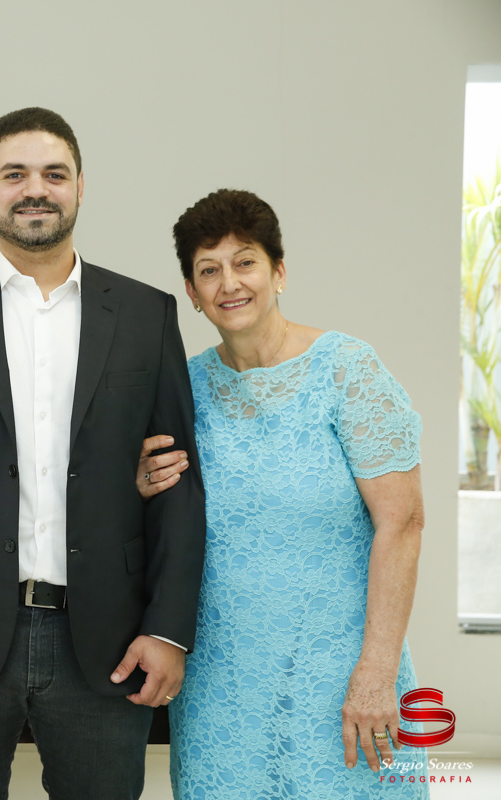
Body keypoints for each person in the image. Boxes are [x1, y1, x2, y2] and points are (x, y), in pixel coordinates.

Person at [0, 107, 207, 799]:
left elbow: (178, 485)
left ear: (81, 187)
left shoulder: (147, 315)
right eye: (15, 173)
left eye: (54, 174)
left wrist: (169, 631)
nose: (36, 189)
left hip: (107, 643)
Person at [137, 188, 429, 798]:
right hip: (222, 684)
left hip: (342, 672)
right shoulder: (182, 388)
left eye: (245, 262)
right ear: (191, 292)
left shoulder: (347, 370)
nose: (228, 283)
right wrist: (138, 489)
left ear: (279, 272)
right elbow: (164, 522)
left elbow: (401, 524)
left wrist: (376, 672)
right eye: (208, 270)